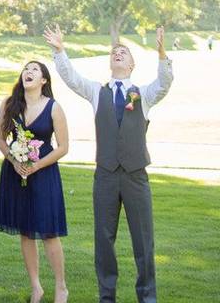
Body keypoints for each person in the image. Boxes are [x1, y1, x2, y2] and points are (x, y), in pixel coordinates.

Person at [44, 26, 172, 303]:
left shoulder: (144, 94)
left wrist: (162, 53)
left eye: (123, 52)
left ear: (132, 64)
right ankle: (106, 296)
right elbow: (71, 78)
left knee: (143, 240)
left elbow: (164, 83)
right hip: (105, 176)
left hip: (136, 176)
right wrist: (59, 51)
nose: (118, 54)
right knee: (103, 239)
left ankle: (147, 296)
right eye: (115, 52)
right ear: (110, 62)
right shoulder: (96, 91)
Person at [0, 61, 69, 303]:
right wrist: (14, 161)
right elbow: (1, 140)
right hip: (16, 172)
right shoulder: (9, 104)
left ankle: (60, 288)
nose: (29, 72)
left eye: (35, 70)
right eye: (26, 69)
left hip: (44, 174)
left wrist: (36, 165)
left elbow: (64, 147)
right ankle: (36, 287)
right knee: (26, 232)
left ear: (44, 80)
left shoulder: (54, 108)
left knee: (48, 232)